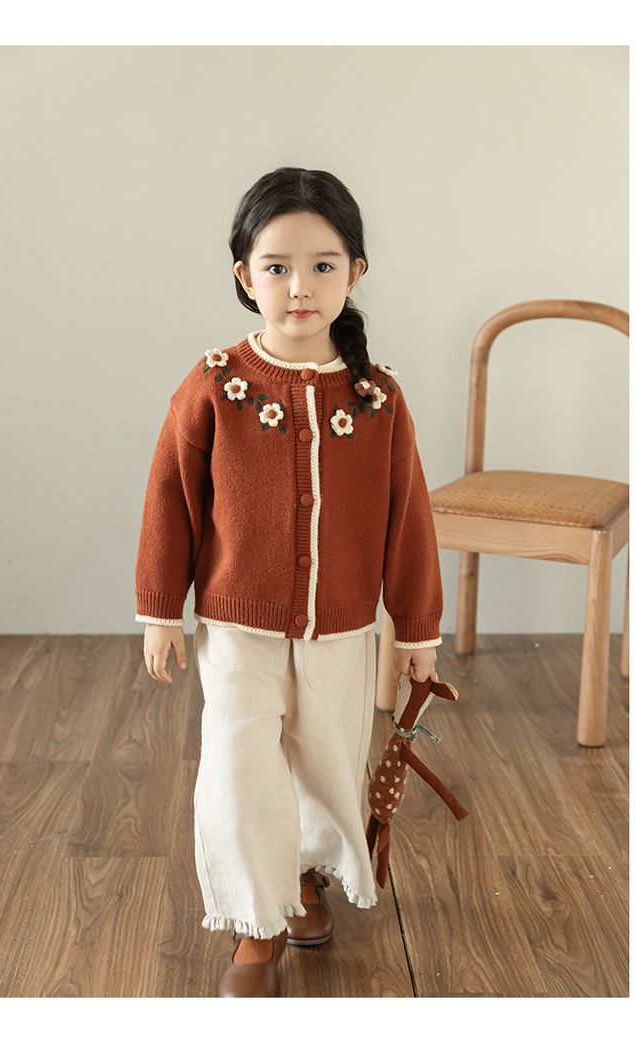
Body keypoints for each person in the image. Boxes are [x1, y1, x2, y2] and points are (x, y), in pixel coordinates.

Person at [134, 166, 443, 997]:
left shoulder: (377, 397)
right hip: (238, 627)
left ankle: (304, 876)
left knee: (327, 760)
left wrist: (416, 629)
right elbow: (169, 498)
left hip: (342, 627)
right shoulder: (216, 383)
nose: (299, 286)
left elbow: (408, 517)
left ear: (355, 273)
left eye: (322, 265)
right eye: (277, 266)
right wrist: (161, 609)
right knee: (240, 766)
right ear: (245, 276)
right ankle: (254, 920)